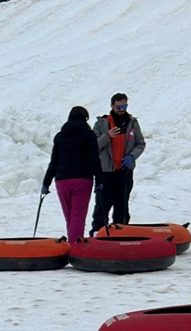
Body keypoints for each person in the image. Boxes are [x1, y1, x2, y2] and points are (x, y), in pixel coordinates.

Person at [41, 105, 101, 241]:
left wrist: (46, 183)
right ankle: (75, 246)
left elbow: (54, 161)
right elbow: (94, 159)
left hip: (62, 180)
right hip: (82, 179)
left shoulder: (60, 136)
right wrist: (100, 179)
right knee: (78, 215)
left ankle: (72, 242)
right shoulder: (88, 134)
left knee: (69, 215)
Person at [93, 94, 146, 230]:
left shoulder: (132, 123)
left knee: (122, 206)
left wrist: (132, 156)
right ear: (112, 106)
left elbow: (140, 143)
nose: (122, 109)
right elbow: (93, 145)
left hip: (124, 172)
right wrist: (107, 136)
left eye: (124, 106)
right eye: (119, 107)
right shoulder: (101, 123)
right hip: (106, 172)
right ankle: (98, 233)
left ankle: (121, 233)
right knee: (102, 205)